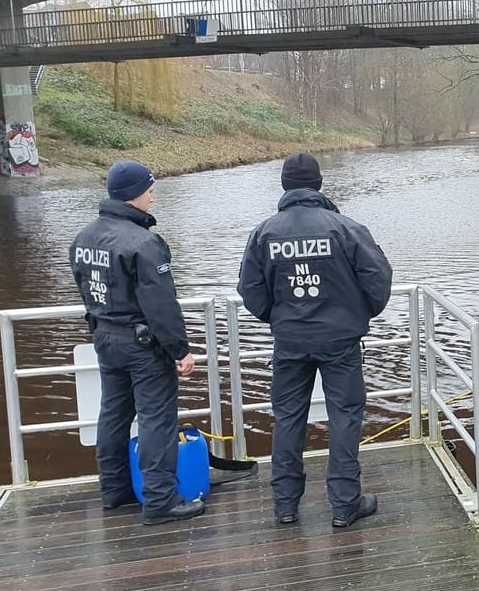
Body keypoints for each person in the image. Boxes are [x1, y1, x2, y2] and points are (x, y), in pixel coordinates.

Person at [238, 152, 393, 527]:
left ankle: (286, 505)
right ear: (319, 184)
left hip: (290, 339)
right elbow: (378, 280)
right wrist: (357, 316)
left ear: (285, 186)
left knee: (288, 417)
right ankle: (344, 505)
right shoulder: (346, 228)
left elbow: (250, 289)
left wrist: (278, 318)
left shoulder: (265, 233)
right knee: (344, 417)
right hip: (340, 339)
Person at [69, 160, 204, 526]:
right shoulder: (144, 242)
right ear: (132, 195)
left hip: (105, 337)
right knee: (156, 419)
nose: (152, 193)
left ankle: (114, 491)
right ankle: (160, 500)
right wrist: (180, 350)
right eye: (148, 189)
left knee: (113, 414)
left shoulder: (84, 238)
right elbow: (160, 305)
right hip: (143, 345)